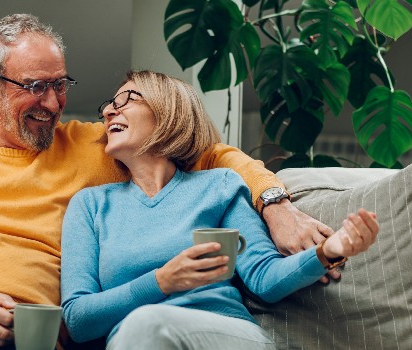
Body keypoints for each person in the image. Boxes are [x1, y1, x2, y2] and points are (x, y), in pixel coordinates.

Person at [0, 14, 341, 349]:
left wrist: (274, 202)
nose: (53, 104)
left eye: (62, 84)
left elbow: (206, 150)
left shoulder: (95, 146)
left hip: (22, 339)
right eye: (35, 87)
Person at [60, 70, 380, 349]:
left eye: (126, 99)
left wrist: (330, 250)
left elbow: (264, 278)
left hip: (225, 334)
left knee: (147, 324)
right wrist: (162, 281)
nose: (109, 113)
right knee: (145, 325)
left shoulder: (219, 186)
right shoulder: (90, 206)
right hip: (136, 338)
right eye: (108, 106)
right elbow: (77, 319)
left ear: (168, 110)